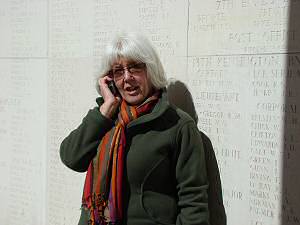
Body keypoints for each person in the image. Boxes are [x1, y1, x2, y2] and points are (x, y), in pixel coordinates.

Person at [60, 32, 210, 225]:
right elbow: (72, 157)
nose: (127, 78)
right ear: (109, 79)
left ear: (150, 70)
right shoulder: (106, 117)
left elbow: (194, 203)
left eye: (135, 68)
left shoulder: (178, 125)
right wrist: (104, 110)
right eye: (118, 71)